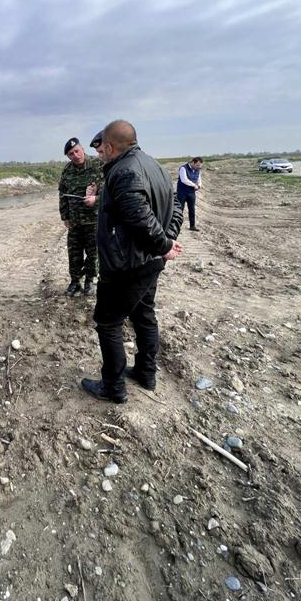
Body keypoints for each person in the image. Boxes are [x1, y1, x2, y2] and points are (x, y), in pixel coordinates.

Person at [80, 120, 183, 404]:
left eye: (102, 149)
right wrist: (166, 241)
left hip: (126, 266)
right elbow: (175, 206)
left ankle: (113, 387)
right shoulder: (154, 165)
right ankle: (145, 373)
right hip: (148, 262)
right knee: (143, 315)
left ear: (110, 146)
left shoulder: (124, 170)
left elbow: (140, 217)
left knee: (108, 323)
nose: (100, 154)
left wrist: (164, 244)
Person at [58, 137, 103, 296]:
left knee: (93, 252)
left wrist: (96, 199)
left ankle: (90, 280)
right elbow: (63, 194)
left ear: (82, 149)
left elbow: (110, 191)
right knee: (74, 252)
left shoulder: (98, 165)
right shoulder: (67, 170)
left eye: (77, 151)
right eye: (71, 154)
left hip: (94, 219)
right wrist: (65, 216)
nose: (76, 155)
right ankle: (75, 281)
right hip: (75, 220)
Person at [176, 157, 203, 231]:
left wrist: (199, 185)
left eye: (199, 165)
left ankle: (192, 226)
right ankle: (177, 227)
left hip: (191, 192)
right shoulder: (183, 168)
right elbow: (184, 180)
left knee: (192, 209)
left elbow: (199, 178)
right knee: (180, 209)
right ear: (193, 162)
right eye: (197, 165)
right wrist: (194, 185)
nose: (198, 167)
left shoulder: (197, 169)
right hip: (182, 192)